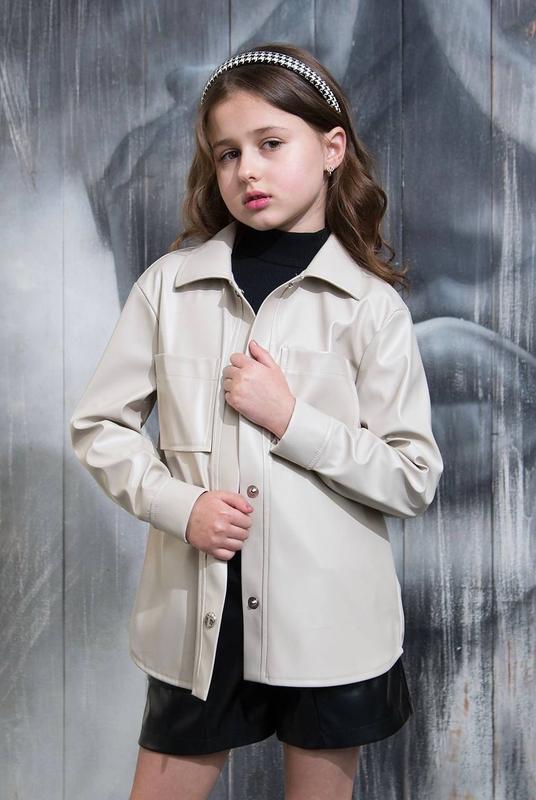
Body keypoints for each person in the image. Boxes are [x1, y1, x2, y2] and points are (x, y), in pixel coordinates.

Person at [70, 42, 444, 800]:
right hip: (198, 624)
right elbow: (99, 427)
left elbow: (412, 477)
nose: (248, 170)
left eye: (271, 143)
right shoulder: (170, 287)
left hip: (332, 627)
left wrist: (292, 419)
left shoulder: (372, 308)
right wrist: (181, 506)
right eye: (228, 152)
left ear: (332, 148)